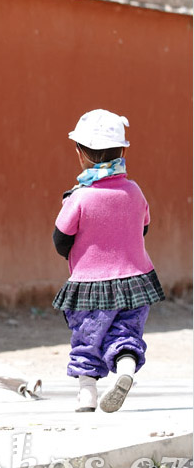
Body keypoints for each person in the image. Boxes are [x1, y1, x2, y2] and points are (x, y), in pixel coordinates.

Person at [52, 109, 164, 413]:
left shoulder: (80, 197)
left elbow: (61, 238)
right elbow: (143, 228)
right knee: (126, 335)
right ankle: (126, 370)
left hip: (90, 286)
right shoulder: (135, 191)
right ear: (123, 150)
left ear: (80, 154)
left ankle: (87, 394)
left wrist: (77, 257)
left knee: (86, 339)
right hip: (137, 282)